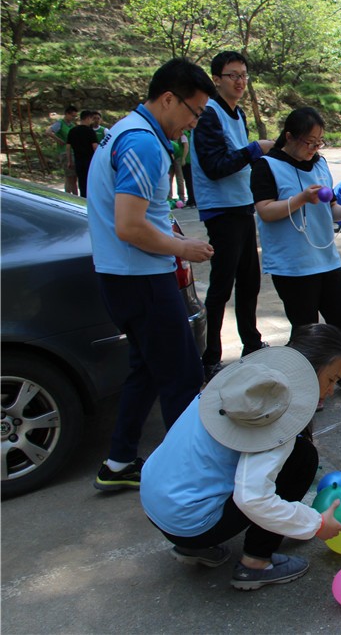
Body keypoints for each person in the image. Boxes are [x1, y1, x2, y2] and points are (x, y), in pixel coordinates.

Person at [140, 325, 341, 591]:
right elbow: (252, 498)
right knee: (303, 458)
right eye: (331, 379)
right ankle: (256, 564)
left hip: (154, 503)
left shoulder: (242, 380)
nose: (332, 391)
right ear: (309, 368)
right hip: (189, 522)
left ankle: (192, 546)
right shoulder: (276, 413)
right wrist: (316, 523)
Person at [87, 58, 216, 491]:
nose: (194, 124)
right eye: (194, 112)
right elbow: (130, 225)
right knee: (182, 377)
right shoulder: (142, 142)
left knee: (145, 369)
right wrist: (184, 248)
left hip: (123, 278)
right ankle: (189, 483)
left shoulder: (123, 130)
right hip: (141, 279)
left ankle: (119, 461)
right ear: (167, 99)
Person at [251, 107, 341, 399]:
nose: (314, 148)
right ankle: (309, 387)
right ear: (289, 137)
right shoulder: (266, 166)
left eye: (319, 142)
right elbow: (266, 211)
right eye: (309, 142)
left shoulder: (319, 163)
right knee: (306, 329)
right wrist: (300, 199)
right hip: (291, 264)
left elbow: (329, 207)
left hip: (325, 258)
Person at [191, 51, 274, 382]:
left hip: (242, 206)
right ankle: (211, 356)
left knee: (249, 281)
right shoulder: (208, 115)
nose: (240, 82)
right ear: (217, 79)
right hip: (221, 210)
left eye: (244, 75)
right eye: (232, 75)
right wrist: (254, 150)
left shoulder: (236, 113)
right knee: (221, 285)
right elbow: (215, 167)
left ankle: (251, 343)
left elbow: (239, 161)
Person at [66, 110, 100, 198]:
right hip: (90, 160)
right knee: (91, 181)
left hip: (78, 160)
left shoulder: (72, 131)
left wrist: (69, 161)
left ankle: (83, 198)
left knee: (81, 182)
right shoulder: (90, 131)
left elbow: (68, 147)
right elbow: (95, 146)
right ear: (88, 118)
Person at [47, 105, 78, 195]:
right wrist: (59, 140)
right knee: (70, 176)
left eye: (75, 116)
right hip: (64, 152)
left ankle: (69, 193)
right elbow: (49, 132)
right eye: (72, 116)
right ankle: (72, 195)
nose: (73, 118)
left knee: (72, 176)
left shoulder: (72, 125)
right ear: (67, 114)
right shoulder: (60, 123)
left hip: (73, 151)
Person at [180, 128, 195, 206]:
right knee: (192, 181)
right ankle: (193, 199)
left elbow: (186, 146)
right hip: (192, 160)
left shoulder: (183, 133)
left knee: (188, 181)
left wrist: (183, 159)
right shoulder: (191, 133)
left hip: (187, 160)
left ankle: (191, 199)